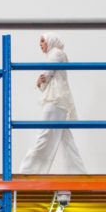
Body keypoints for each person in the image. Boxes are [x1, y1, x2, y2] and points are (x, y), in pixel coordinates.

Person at [19, 32, 86, 184]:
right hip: (59, 101)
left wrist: (39, 82)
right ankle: (78, 173)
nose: (41, 44)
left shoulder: (55, 53)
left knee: (43, 136)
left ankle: (28, 171)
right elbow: (46, 78)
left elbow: (46, 76)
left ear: (51, 41)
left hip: (55, 101)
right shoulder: (56, 54)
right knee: (66, 140)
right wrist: (41, 81)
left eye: (43, 41)